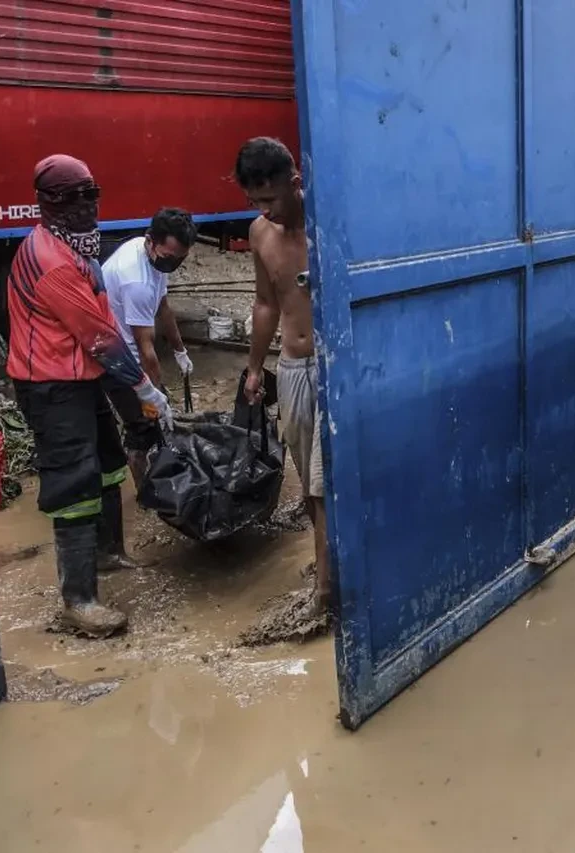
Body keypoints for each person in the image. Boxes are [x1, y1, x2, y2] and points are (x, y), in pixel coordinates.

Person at [6, 154, 173, 638]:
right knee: (73, 481)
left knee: (108, 463)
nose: (84, 207)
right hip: (51, 386)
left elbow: (102, 335)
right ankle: (78, 601)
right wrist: (144, 388)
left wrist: (136, 399)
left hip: (82, 376)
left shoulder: (76, 248)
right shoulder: (53, 261)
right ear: (45, 204)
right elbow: (100, 337)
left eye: (90, 194)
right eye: (70, 198)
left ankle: (108, 553)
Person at [235, 138, 332, 621]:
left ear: (295, 181)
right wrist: (256, 368)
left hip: (335, 366)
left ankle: (324, 590)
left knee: (321, 481)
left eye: (271, 199)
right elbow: (266, 303)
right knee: (304, 473)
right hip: (292, 367)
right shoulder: (259, 234)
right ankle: (328, 562)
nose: (265, 211)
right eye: (255, 202)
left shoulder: (328, 226)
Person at [101, 207, 197, 489]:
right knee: (144, 423)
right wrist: (153, 394)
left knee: (156, 417)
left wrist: (180, 351)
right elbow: (146, 350)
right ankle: (145, 492)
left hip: (125, 345)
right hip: (115, 357)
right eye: (170, 257)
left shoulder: (154, 257)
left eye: (180, 259)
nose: (173, 264)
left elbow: (164, 308)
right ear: (150, 240)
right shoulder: (137, 281)